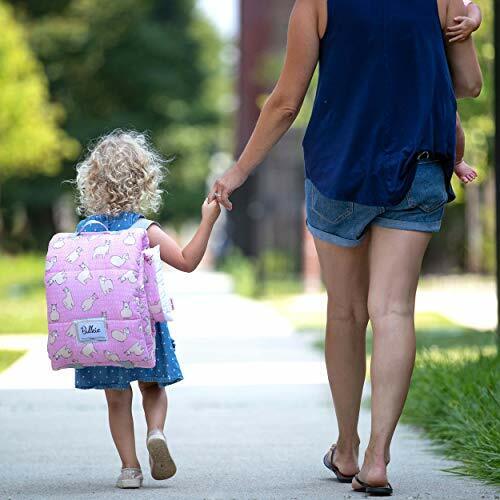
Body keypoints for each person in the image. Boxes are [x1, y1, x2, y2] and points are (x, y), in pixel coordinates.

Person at [209, 0, 482, 496]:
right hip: (420, 165)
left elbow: (285, 102)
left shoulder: (316, 3)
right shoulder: (443, 1)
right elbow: (468, 85)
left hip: (340, 169)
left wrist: (237, 171)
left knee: (346, 314)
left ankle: (348, 447)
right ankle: (378, 457)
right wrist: (465, 26)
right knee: (394, 310)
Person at [74, 130, 221, 489]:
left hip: (103, 331)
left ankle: (129, 469)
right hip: (142, 327)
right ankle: (155, 431)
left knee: (116, 399)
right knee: (152, 388)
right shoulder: (144, 229)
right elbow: (187, 261)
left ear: (91, 182)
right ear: (143, 181)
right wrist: (208, 220)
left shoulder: (85, 231)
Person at [449, 0, 483, 183]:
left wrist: (472, 22)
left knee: (453, 122)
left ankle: (458, 159)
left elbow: (473, 7)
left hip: (443, 71)